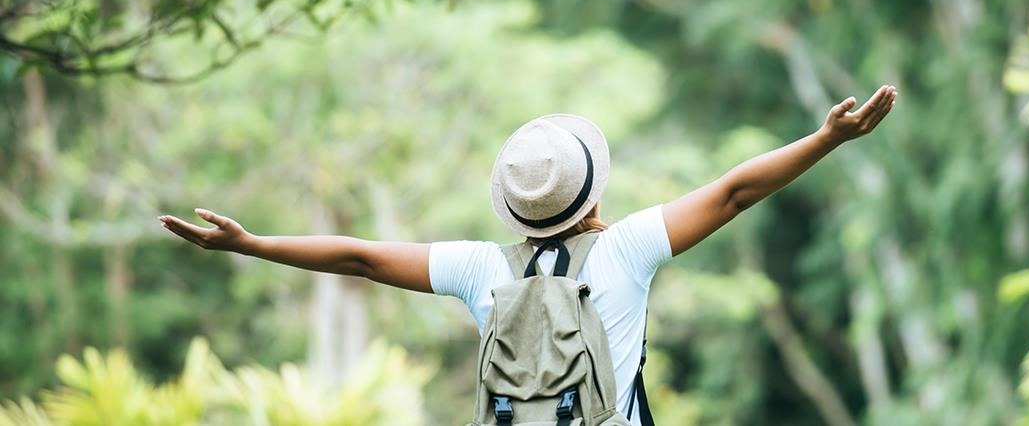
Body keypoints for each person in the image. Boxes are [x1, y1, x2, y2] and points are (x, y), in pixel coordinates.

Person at [158, 84, 897, 423]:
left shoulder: (481, 268)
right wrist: (827, 138)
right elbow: (734, 192)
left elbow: (360, 258)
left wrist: (252, 244)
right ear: (592, 196)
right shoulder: (628, 250)